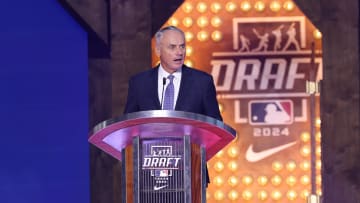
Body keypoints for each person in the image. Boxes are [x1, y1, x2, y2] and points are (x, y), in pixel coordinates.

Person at [123, 25, 223, 186]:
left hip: (191, 173)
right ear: (158, 50)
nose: (179, 52)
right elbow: (128, 127)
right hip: (149, 175)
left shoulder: (202, 82)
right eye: (172, 47)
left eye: (182, 46)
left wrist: (197, 152)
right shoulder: (139, 83)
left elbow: (216, 127)